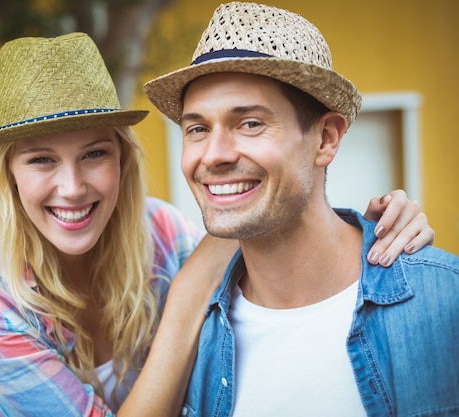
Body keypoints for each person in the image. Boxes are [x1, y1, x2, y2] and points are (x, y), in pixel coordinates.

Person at [0, 32, 433, 416]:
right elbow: (230, 242)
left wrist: (372, 226)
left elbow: (273, 240)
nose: (72, 187)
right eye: (41, 160)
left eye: (94, 154)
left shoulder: (161, 232)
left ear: (123, 161)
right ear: (8, 174)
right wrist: (190, 289)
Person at [143, 2, 459, 416]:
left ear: (326, 138)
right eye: (197, 129)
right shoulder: (190, 337)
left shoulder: (444, 302)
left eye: (250, 123)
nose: (214, 155)